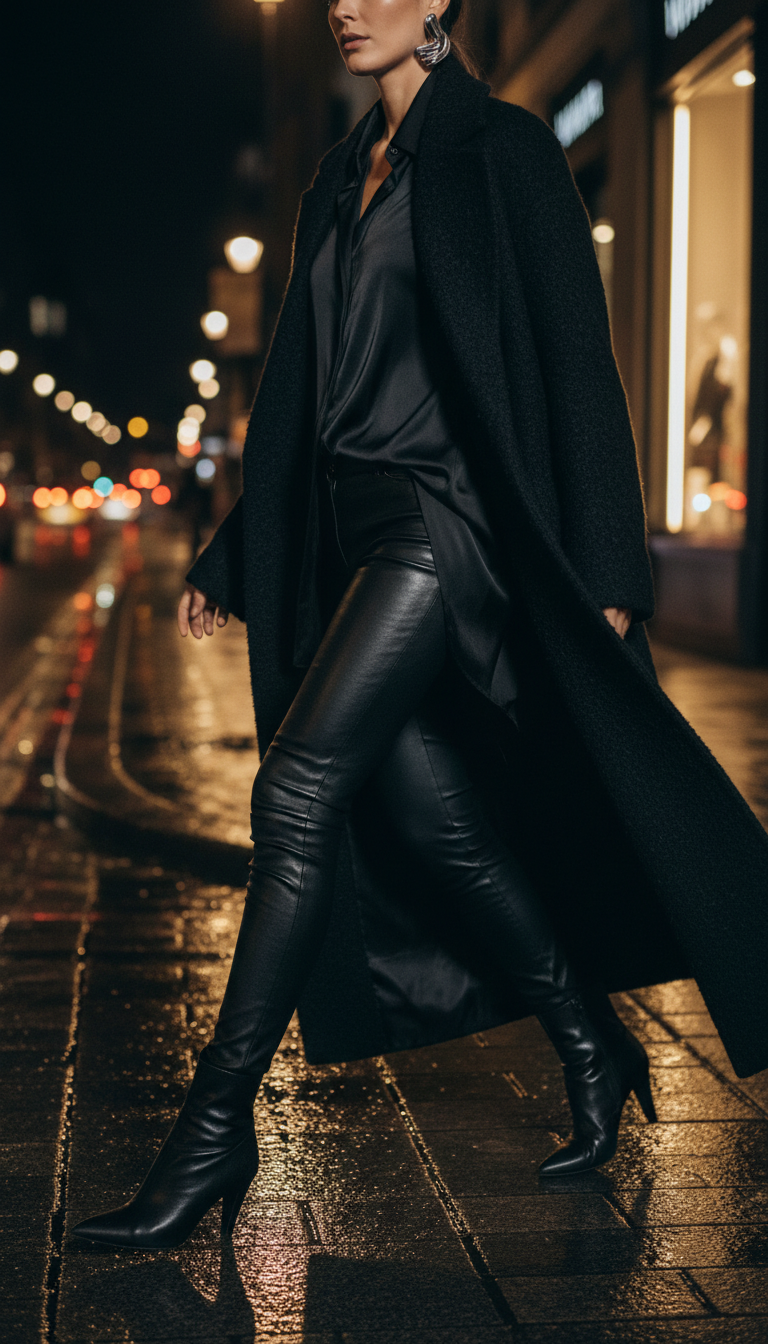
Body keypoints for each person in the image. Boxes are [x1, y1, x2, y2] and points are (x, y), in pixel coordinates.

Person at [73, 0, 768, 1251]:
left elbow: (577, 358)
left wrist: (610, 560)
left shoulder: (503, 148)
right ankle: (592, 1044)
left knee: (295, 792)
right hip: (359, 533)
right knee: (438, 826)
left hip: (448, 531)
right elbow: (307, 395)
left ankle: (214, 1130)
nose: (344, 6)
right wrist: (234, 549)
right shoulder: (341, 178)